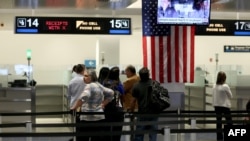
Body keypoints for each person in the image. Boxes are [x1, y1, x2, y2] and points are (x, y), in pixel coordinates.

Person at [70, 69, 114, 141]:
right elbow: (111, 93)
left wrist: (74, 107)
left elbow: (83, 97)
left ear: (91, 77)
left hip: (87, 118)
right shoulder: (99, 85)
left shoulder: (89, 86)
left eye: (86, 76)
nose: (84, 78)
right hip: (99, 117)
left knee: (83, 138)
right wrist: (103, 103)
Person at [131, 67, 158, 141]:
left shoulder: (136, 86)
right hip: (153, 113)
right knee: (153, 135)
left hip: (142, 113)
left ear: (140, 76)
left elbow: (133, 101)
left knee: (139, 135)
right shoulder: (155, 84)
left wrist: (131, 111)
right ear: (149, 75)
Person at [102, 66, 125, 141]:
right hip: (117, 108)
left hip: (107, 107)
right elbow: (122, 92)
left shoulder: (105, 82)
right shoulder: (118, 83)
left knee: (107, 128)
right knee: (117, 129)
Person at [212, 71, 233, 141]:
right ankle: (230, 135)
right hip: (225, 106)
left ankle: (219, 137)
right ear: (224, 78)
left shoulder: (214, 85)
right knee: (229, 122)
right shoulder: (225, 86)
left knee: (219, 122)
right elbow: (231, 96)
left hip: (217, 106)